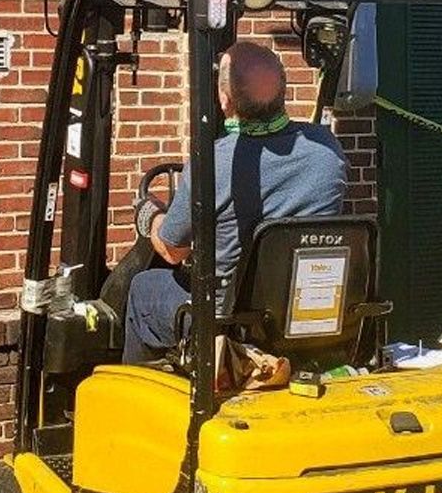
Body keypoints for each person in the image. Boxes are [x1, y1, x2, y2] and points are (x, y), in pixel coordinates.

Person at [122, 40, 347, 364]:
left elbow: (173, 251)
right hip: (304, 318)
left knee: (144, 289)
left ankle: (139, 398)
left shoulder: (212, 162)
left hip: (227, 324)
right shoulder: (328, 150)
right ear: (283, 89)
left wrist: (150, 215)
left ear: (224, 99)